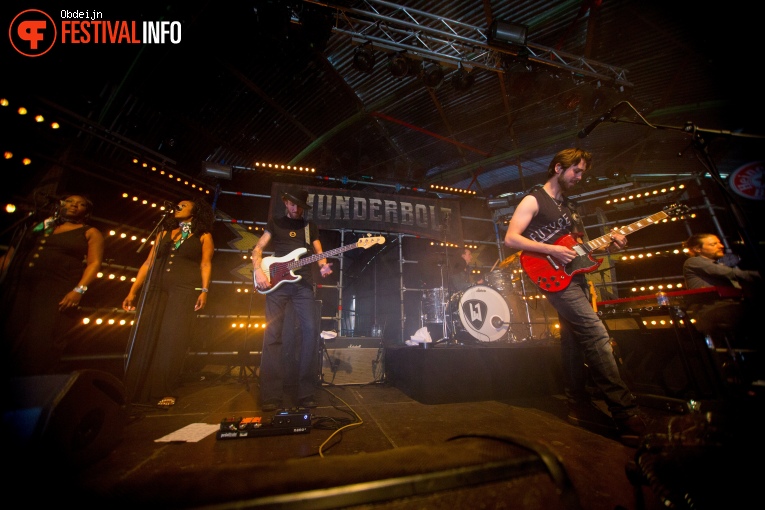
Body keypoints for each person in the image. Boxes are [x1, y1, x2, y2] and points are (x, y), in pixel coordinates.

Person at [503, 148, 646, 447]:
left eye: (582, 173)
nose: (580, 177)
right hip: (551, 274)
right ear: (559, 168)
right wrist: (552, 250)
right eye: (576, 171)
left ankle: (578, 405)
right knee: (596, 335)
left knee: (571, 341)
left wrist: (612, 246)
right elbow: (511, 238)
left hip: (575, 276)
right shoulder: (534, 199)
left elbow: (580, 248)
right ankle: (625, 413)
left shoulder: (570, 207)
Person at [122, 197, 215, 407]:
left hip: (184, 288)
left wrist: (204, 290)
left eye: (183, 205)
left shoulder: (203, 235)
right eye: (177, 205)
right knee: (146, 331)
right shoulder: (163, 232)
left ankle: (164, 388)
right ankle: (133, 388)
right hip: (155, 286)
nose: (178, 207)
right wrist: (133, 290)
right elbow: (148, 262)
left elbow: (206, 264)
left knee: (172, 336)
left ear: (195, 211)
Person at [0, 194, 104, 376]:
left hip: (56, 288)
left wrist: (79, 290)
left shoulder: (89, 232)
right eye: (70, 202)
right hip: (21, 286)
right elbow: (14, 252)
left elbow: (94, 264)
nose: (74, 206)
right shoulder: (43, 226)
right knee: (11, 331)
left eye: (81, 204)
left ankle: (34, 384)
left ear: (86, 211)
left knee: (42, 338)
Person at [251, 187, 333, 411]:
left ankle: (306, 393)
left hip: (303, 287)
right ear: (285, 202)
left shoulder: (309, 227)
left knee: (310, 333)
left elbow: (319, 253)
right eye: (292, 204)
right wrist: (258, 270)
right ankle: (271, 395)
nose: (295, 209)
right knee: (272, 335)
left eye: (300, 205)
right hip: (275, 284)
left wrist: (323, 266)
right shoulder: (274, 223)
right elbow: (258, 248)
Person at [682, 233, 761, 356]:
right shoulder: (694, 261)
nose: (721, 246)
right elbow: (732, 273)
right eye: (713, 244)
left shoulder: (717, 263)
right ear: (698, 249)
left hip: (727, 306)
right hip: (713, 309)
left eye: (719, 242)